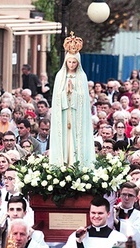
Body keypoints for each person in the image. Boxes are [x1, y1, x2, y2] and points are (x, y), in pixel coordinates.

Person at [49, 33, 95, 167]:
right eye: (69, 62)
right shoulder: (60, 76)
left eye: (74, 62)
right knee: (64, 137)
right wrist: (65, 93)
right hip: (64, 113)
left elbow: (84, 99)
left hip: (76, 114)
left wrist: (73, 93)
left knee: (76, 137)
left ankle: (77, 163)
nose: (71, 64)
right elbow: (57, 97)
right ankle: (62, 162)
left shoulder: (82, 76)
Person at [113, 182, 140, 248]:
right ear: (120, 195)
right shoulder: (112, 212)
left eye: (130, 195)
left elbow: (139, 237)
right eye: (124, 194)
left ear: (136, 199)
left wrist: (118, 223)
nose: (126, 198)